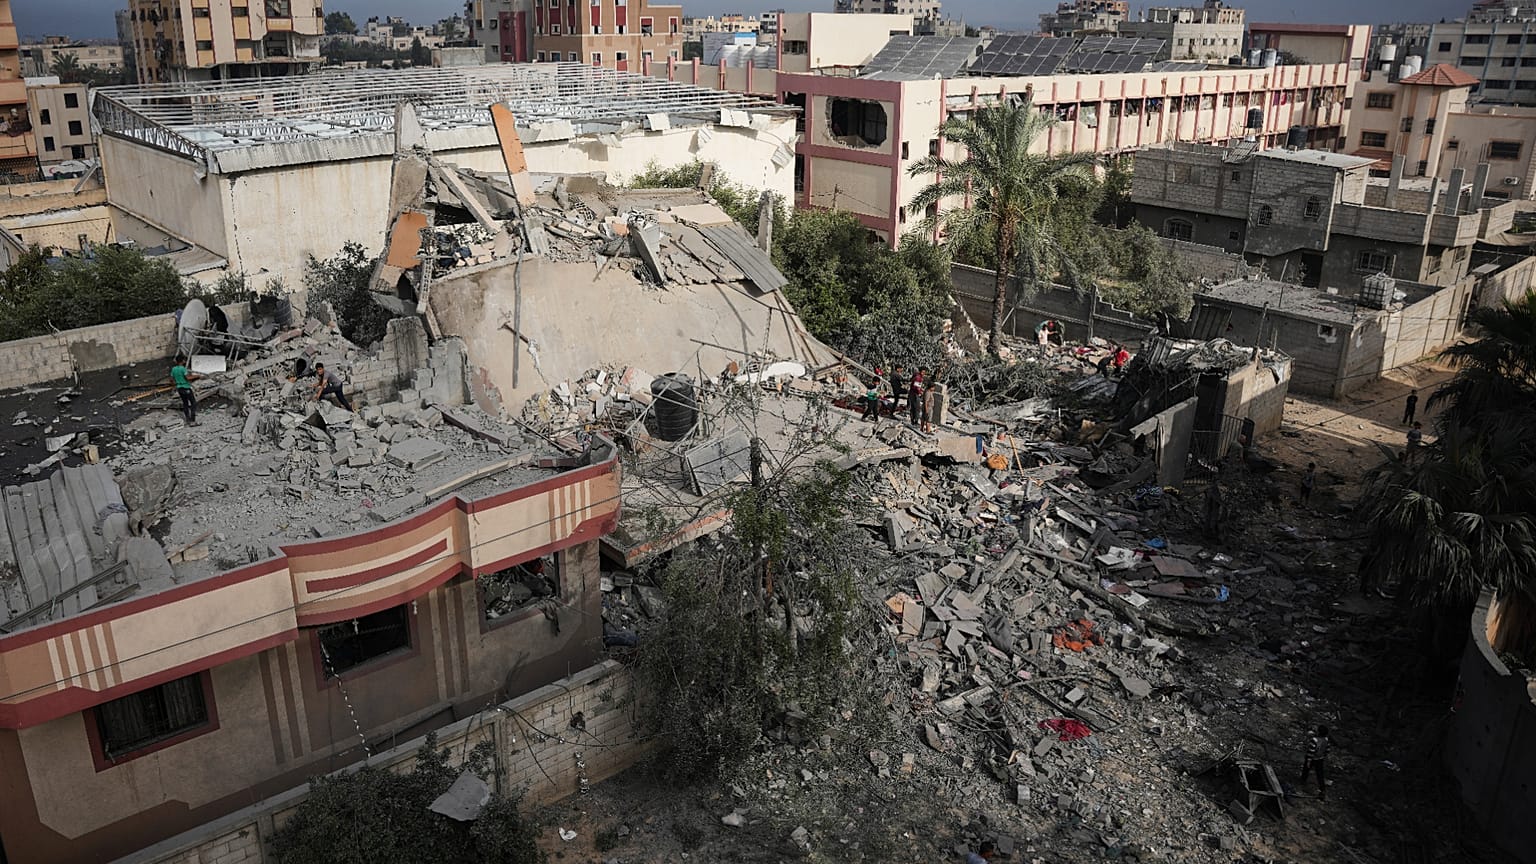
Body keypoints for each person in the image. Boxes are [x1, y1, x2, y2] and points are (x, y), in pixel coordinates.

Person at [1301, 725, 1331, 800]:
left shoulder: (1314, 740)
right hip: (1320, 759)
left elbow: (1310, 751)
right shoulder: (1326, 740)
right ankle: (1322, 789)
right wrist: (1323, 755)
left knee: (1306, 769)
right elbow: (1327, 750)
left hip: (1312, 758)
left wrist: (1308, 760)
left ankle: (1303, 780)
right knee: (1320, 774)